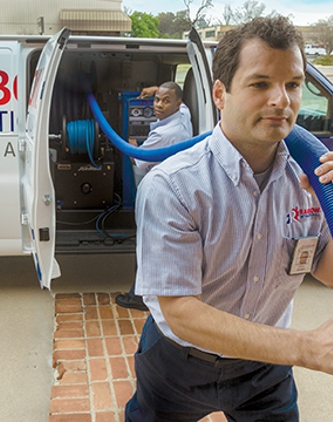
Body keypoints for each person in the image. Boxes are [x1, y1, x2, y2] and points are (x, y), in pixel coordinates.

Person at [125, 16, 333, 422]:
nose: (282, 100)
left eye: (292, 84)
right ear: (220, 94)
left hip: (265, 369)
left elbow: (327, 271)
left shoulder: (313, 181)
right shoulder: (174, 185)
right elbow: (181, 310)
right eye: (260, 84)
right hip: (177, 361)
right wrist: (305, 347)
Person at [115, 82, 193, 312]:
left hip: (160, 192)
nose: (158, 105)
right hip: (175, 188)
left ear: (176, 103)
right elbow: (176, 98)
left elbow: (138, 162)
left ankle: (139, 296)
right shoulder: (183, 114)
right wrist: (156, 89)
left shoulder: (165, 134)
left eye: (165, 101)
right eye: (156, 99)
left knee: (148, 242)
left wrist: (131, 146)